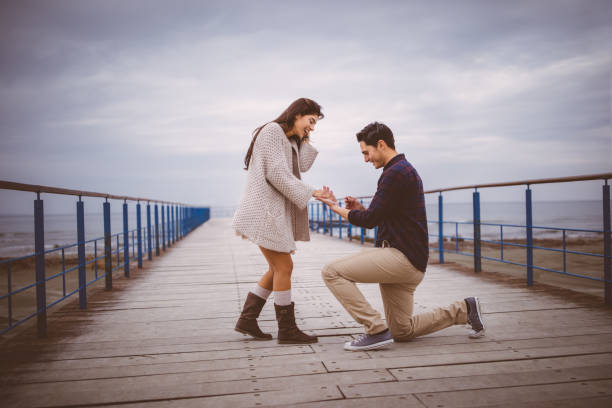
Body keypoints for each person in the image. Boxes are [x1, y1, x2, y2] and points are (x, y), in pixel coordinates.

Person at [317, 122, 485, 351]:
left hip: (401, 258)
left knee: (331, 272)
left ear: (381, 145)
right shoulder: (400, 170)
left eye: (366, 152)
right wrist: (360, 208)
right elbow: (379, 217)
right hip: (411, 260)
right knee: (402, 331)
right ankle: (465, 309)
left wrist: (334, 207)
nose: (366, 159)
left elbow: (368, 222)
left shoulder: (395, 173)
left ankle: (375, 329)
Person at [232, 98, 331, 344]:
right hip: (264, 212)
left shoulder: (286, 138)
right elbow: (277, 175)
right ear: (297, 114)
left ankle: (247, 319)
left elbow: (303, 166)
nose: (313, 127)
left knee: (276, 268)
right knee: (284, 267)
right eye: (310, 121)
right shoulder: (273, 131)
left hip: (268, 212)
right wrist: (313, 192)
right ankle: (287, 330)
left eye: (315, 124)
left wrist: (304, 136)